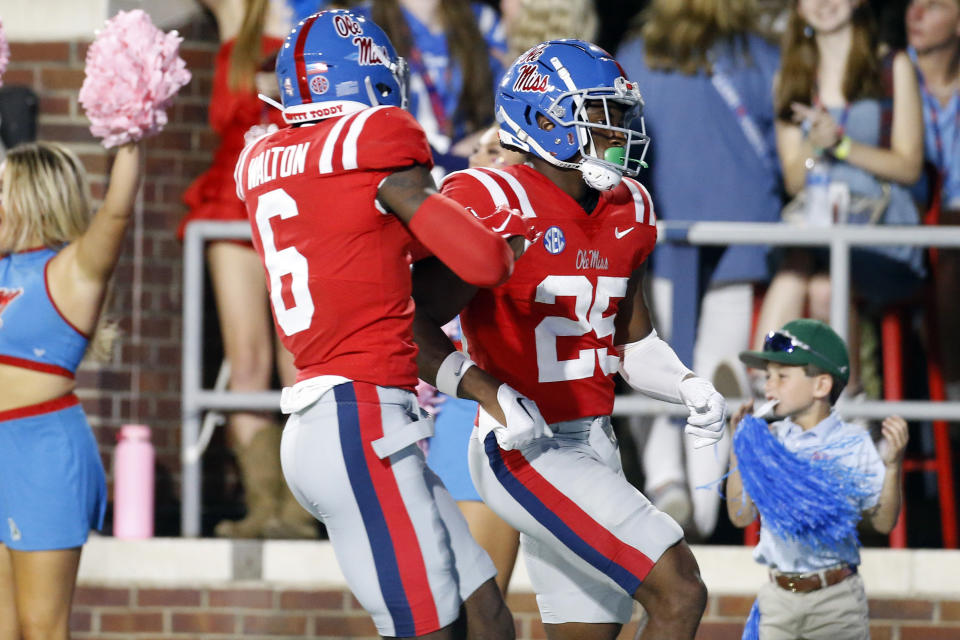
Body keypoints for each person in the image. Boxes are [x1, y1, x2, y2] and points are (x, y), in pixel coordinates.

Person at [412, 39, 730, 639]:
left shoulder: (627, 204)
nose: (618, 129)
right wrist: (485, 392)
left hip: (594, 441)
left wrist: (687, 383)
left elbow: (630, 344)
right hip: (523, 447)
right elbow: (410, 317)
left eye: (619, 113)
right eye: (601, 113)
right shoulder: (492, 198)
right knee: (680, 591)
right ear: (544, 120)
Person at [234, 10, 526, 638]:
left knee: (487, 618)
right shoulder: (373, 140)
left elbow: (376, 258)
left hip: (342, 419)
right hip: (359, 423)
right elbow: (485, 261)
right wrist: (505, 214)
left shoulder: (265, 157)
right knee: (434, 630)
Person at [615, 0, 783, 541]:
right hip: (744, 231)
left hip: (662, 229)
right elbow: (784, 151)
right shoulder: (761, 53)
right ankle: (710, 513)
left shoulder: (636, 53)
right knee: (713, 370)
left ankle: (669, 489)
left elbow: (621, 147)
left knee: (652, 365)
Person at [181, 0, 316, 540]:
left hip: (295, 198)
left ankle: (303, 506)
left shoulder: (330, 19)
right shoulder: (242, 11)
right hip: (230, 200)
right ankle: (264, 507)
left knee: (300, 363)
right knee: (249, 361)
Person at [0, 139, 139, 638]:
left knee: (42, 628)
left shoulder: (73, 269)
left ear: (30, 198)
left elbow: (118, 212)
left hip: (42, 450)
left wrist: (132, 132)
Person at [753, 0, 926, 393]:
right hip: (816, 226)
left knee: (824, 282)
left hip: (879, 232)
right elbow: (795, 180)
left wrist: (843, 147)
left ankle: (843, 404)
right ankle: (766, 387)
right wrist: (816, 145)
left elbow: (909, 165)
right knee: (802, 275)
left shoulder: (892, 66)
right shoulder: (790, 77)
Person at [726, 318, 908, 639]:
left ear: (821, 386)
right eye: (768, 376)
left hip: (836, 602)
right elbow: (741, 516)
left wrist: (892, 468)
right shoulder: (771, 441)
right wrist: (740, 451)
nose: (769, 386)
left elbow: (883, 523)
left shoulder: (855, 443)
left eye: (782, 376)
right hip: (778, 598)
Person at [424, 125, 524, 595]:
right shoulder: (438, 234)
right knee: (441, 599)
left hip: (500, 421)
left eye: (497, 151)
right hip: (445, 419)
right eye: (478, 150)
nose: (482, 158)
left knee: (482, 601)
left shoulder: (537, 240)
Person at [348, 0, 506, 175]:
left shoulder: (482, 19)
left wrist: (487, 137)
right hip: (395, 169)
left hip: (467, 165)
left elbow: (514, 101)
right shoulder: (357, 24)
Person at [906, 0, 960, 404]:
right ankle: (955, 385)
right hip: (907, 222)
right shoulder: (884, 74)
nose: (916, 12)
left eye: (935, 4)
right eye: (913, 2)